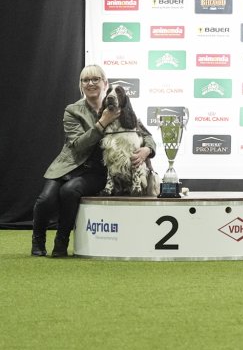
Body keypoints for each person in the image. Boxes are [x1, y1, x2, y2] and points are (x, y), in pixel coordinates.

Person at [31, 65, 156, 257]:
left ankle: (61, 242)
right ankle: (38, 241)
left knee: (70, 191)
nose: (90, 83)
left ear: (105, 83)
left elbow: (146, 135)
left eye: (95, 79)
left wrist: (147, 150)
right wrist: (102, 122)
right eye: (85, 80)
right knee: (45, 200)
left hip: (96, 171)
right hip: (69, 165)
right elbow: (78, 145)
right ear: (81, 85)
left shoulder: (119, 106)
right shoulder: (73, 110)